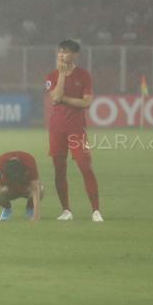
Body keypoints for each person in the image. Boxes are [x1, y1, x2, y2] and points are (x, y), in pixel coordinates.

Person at [45, 39, 103, 222]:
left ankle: (96, 210)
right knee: (59, 170)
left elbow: (86, 102)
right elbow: (54, 98)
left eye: (67, 52)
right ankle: (66, 211)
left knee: (85, 166)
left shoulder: (84, 76)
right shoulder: (52, 76)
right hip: (57, 130)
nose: (62, 54)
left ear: (75, 55)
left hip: (77, 130)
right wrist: (62, 76)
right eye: (60, 51)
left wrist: (63, 99)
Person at [0, 151, 43, 222]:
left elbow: (35, 188)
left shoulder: (30, 162)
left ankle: (30, 208)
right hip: (9, 189)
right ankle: (7, 207)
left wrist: (36, 216)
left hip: (25, 187)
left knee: (40, 189)